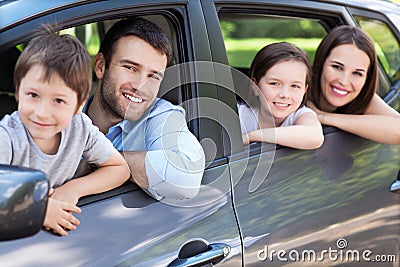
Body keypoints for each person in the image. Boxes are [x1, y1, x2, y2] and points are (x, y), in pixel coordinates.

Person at [0, 28, 130, 236]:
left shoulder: (80, 128)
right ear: (18, 91)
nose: (42, 113)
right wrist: (38, 211)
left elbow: (119, 168)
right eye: (33, 95)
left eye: (58, 100)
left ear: (79, 104)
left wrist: (73, 189)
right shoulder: (7, 137)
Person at [85, 17, 205, 200]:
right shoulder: (64, 112)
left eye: (153, 76)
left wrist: (102, 161)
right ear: (101, 66)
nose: (140, 86)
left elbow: (185, 177)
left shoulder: (160, 115)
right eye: (131, 68)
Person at [308, 25, 400, 144]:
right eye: (337, 67)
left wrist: (323, 117)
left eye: (357, 73)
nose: (344, 81)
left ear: (367, 78)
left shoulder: (363, 98)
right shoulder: (296, 90)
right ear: (321, 63)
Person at [239, 42, 324, 150]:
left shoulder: (300, 114)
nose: (285, 95)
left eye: (295, 86)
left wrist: (252, 136)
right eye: (274, 84)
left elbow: (315, 136)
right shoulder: (241, 115)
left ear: (304, 90)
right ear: (255, 86)